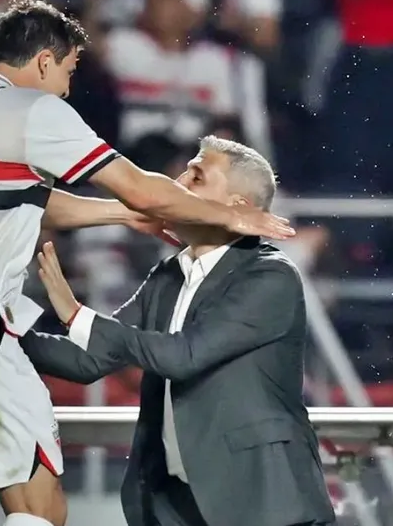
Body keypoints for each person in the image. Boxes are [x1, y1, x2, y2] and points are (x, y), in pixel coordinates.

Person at [0, 0, 294, 526]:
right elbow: (143, 187)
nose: (69, 90)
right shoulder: (32, 108)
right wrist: (231, 215)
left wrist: (121, 215)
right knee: (40, 510)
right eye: (69, 72)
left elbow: (17, 198)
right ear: (44, 61)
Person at [22, 136, 334, 526]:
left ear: (237, 207)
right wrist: (0, 335)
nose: (176, 184)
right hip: (176, 502)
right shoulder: (169, 274)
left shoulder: (270, 276)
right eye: (183, 172)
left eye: (196, 177)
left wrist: (76, 314)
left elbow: (184, 356)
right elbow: (89, 360)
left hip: (261, 501)